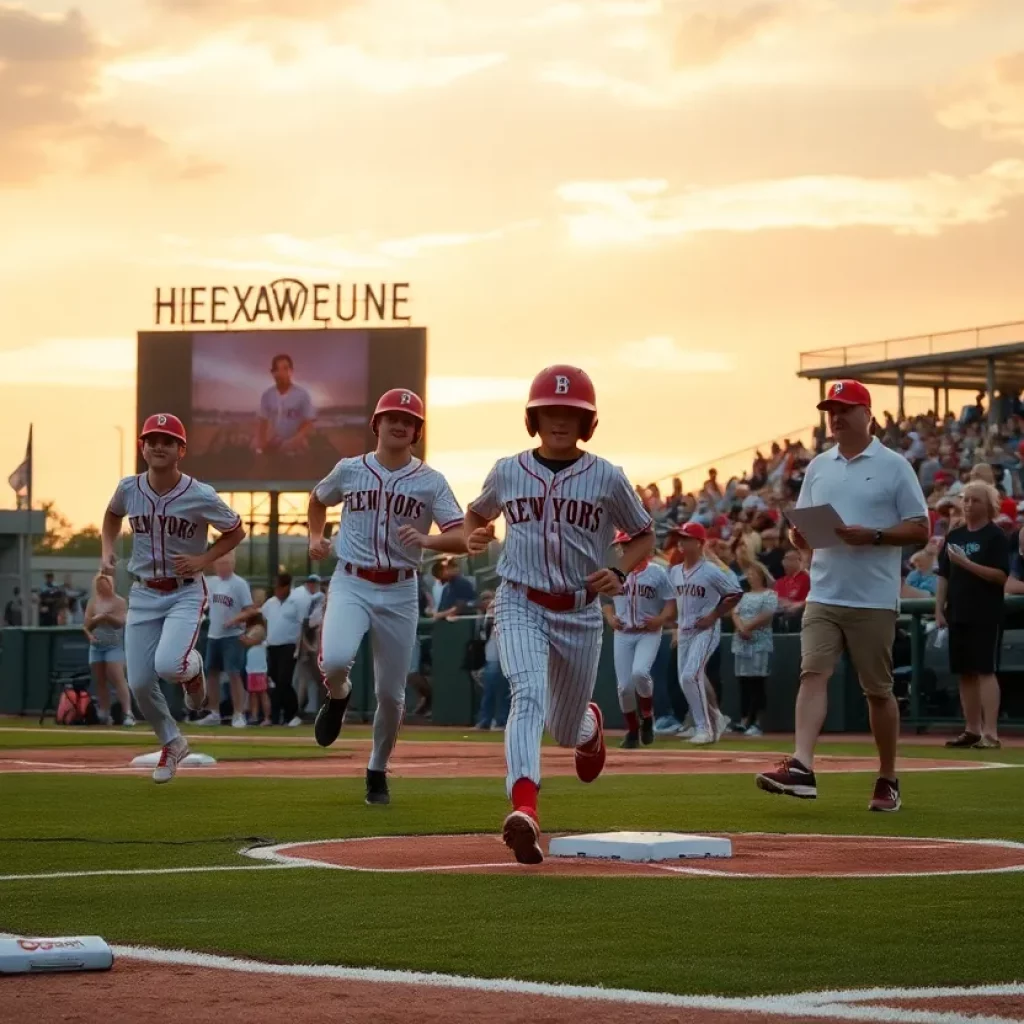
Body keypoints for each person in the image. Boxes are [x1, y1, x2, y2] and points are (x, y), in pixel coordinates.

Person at [459, 365, 655, 865]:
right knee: (526, 695)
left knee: (565, 729)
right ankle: (525, 808)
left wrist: (619, 569)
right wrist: (473, 534)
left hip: (580, 610)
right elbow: (478, 512)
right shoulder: (507, 470)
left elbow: (644, 535)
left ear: (587, 421)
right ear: (534, 417)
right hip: (519, 598)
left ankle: (588, 725)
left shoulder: (607, 477)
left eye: (572, 412)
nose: (560, 419)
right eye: (551, 410)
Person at [756, 380, 928, 812]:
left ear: (867, 414)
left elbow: (921, 528)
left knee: (878, 691)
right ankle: (802, 766)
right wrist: (801, 536)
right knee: (812, 673)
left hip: (872, 597)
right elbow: (804, 540)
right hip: (825, 590)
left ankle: (888, 777)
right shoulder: (819, 466)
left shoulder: (894, 466)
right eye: (831, 408)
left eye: (845, 407)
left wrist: (872, 534)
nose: (835, 415)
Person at [307, 387, 465, 806]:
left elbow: (462, 536)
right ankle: (338, 694)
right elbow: (318, 499)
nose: (400, 424)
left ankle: (376, 768)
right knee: (336, 658)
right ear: (376, 423)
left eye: (409, 420)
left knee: (391, 696)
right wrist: (315, 535)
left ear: (416, 431)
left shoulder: (431, 480)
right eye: (392, 416)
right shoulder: (349, 469)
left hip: (399, 587)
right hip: (352, 579)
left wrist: (429, 541)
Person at [100, 413, 245, 783]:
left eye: (167, 441)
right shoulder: (129, 488)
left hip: (184, 591)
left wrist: (204, 559)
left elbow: (235, 530)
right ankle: (173, 741)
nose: (159, 446)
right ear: (142, 448)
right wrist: (106, 550)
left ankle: (192, 669)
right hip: (144, 591)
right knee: (139, 682)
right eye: (152, 440)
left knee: (169, 665)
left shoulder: (199, 494)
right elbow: (112, 515)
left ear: (181, 449)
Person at [936, 480, 1008, 750]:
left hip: (985, 612)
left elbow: (1000, 576)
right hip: (958, 612)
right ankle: (972, 729)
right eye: (966, 499)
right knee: (964, 672)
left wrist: (967, 564)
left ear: (988, 505)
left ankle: (991, 732)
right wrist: (938, 607)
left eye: (975, 500)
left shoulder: (995, 536)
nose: (968, 505)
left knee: (985, 670)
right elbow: (943, 574)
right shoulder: (955, 536)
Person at [662, 522, 742, 745]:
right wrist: (670, 623)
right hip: (684, 629)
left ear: (699, 543)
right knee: (686, 679)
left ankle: (704, 728)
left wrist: (714, 615)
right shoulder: (675, 572)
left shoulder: (710, 571)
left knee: (690, 676)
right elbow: (670, 602)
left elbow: (735, 593)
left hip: (705, 630)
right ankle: (714, 718)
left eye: (686, 538)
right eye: (681, 538)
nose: (682, 542)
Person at [604, 530, 674, 748]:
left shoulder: (657, 572)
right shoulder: (614, 574)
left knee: (640, 672)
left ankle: (647, 715)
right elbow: (605, 602)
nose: (623, 549)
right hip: (623, 633)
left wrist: (661, 618)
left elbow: (671, 602)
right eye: (621, 546)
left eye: (627, 545)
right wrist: (609, 618)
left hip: (648, 631)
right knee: (624, 687)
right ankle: (633, 732)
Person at [196, 552, 255, 728]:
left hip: (232, 636)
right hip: (214, 634)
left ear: (233, 564)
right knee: (212, 673)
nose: (223, 566)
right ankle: (214, 712)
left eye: (227, 562)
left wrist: (236, 619)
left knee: (234, 673)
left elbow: (251, 610)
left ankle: (238, 714)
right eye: (220, 563)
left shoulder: (239, 584)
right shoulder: (212, 583)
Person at [730, 559, 778, 736]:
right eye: (748, 574)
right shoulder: (743, 596)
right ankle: (744, 719)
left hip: (759, 642)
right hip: (742, 642)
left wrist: (748, 626)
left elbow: (767, 614)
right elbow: (734, 613)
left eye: (753, 574)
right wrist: (741, 627)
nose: (750, 577)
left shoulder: (769, 595)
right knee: (744, 682)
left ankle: (757, 721)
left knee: (758, 682)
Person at [82, 573, 134, 727]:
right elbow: (86, 625)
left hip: (113, 645)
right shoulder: (93, 602)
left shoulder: (119, 601)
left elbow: (120, 623)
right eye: (99, 584)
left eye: (104, 583)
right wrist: (90, 635)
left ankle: (128, 713)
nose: (101, 587)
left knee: (118, 679)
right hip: (96, 646)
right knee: (100, 681)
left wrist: (106, 617)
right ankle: (104, 713)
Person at [261, 574, 303, 726]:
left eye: (280, 587)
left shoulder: (296, 602)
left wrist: (299, 648)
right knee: (276, 680)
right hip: (273, 646)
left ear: (286, 587)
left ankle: (291, 714)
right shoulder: (270, 603)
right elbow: (264, 618)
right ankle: (282, 715)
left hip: (289, 646)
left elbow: (301, 625)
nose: (277, 590)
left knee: (284, 680)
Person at [255, 354, 316, 456]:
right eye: (277, 370)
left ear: (291, 371)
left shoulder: (302, 394)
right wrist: (262, 442)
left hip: (297, 442)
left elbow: (309, 422)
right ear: (273, 373)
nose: (282, 373)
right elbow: (263, 421)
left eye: (285, 369)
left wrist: (296, 440)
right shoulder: (267, 395)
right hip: (274, 441)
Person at [240, 602, 271, 727]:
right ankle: (254, 716)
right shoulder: (249, 629)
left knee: (262, 692)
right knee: (252, 692)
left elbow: (252, 641)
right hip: (251, 667)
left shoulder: (259, 628)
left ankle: (267, 717)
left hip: (259, 666)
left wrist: (243, 638)